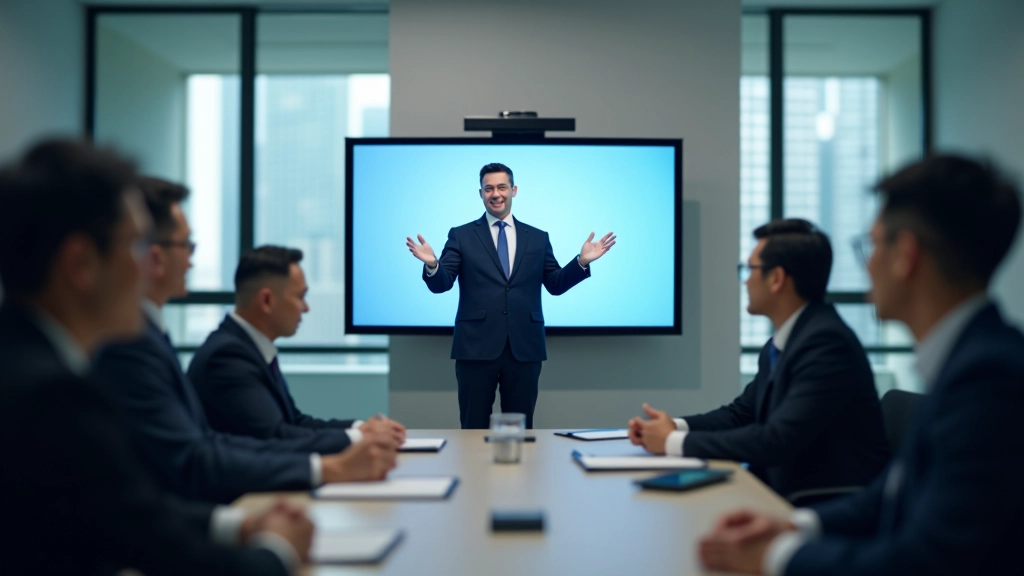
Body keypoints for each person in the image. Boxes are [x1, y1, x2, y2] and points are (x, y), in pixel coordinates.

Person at [699, 155, 1024, 576]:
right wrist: (794, 524)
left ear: (905, 255)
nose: (866, 264)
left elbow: (927, 562)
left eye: (871, 245)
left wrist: (775, 556)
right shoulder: (969, 360)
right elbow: (890, 495)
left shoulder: (989, 379)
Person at [0, 139, 312, 575]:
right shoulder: (51, 398)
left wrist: (236, 524)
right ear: (80, 263)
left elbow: (124, 514)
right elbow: (159, 548)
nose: (149, 266)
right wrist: (276, 552)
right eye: (135, 246)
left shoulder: (29, 367)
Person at [94, 176, 398, 505]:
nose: (192, 260)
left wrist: (357, 433)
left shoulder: (219, 343)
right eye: (187, 246)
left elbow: (287, 424)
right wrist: (333, 463)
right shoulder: (223, 354)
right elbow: (242, 444)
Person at [629, 219, 889, 499]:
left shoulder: (827, 344)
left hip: (820, 506)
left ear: (776, 278)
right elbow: (742, 414)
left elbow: (776, 441)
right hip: (774, 494)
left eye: (750, 269)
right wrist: (675, 426)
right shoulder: (784, 342)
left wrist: (672, 441)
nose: (746, 280)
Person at [406, 162, 615, 428]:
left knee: (522, 429)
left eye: (502, 187)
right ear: (480, 193)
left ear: (514, 190)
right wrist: (433, 265)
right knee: (473, 426)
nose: (496, 194)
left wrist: (581, 262)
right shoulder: (461, 235)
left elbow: (555, 284)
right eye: (489, 188)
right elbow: (442, 284)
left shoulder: (538, 238)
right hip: (475, 347)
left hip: (524, 347)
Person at [188, 245, 407, 445]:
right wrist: (362, 437)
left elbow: (294, 422)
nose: (306, 308)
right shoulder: (227, 357)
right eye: (300, 297)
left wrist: (361, 427)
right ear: (267, 301)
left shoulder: (249, 348)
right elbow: (276, 436)